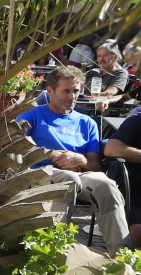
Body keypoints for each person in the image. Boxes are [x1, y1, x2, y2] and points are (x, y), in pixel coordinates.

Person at [19, 65, 127, 254]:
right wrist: (50, 154)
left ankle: (122, 256)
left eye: (76, 91)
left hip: (81, 174)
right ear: (50, 91)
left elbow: (95, 166)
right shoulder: (33, 116)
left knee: (107, 185)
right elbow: (13, 145)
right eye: (66, 91)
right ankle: (53, 252)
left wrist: (80, 160)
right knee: (69, 180)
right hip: (40, 173)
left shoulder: (87, 123)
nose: (72, 96)